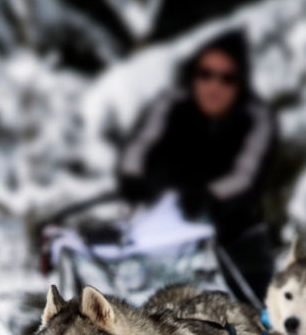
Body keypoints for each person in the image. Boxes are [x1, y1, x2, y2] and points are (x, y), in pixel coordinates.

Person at [116, 28, 277, 305]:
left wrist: (209, 195)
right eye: (206, 74)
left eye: (227, 78)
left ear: (240, 83)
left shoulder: (256, 117)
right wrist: (136, 181)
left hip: (236, 237)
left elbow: (246, 175)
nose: (214, 85)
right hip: (162, 241)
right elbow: (136, 152)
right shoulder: (169, 105)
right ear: (193, 75)